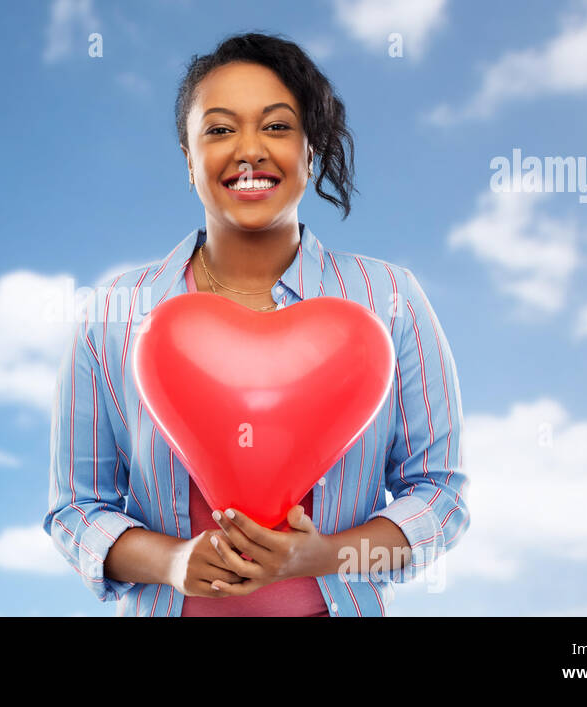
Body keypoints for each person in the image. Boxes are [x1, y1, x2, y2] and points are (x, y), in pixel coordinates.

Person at [42, 32, 470, 617]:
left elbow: (441, 495)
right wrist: (173, 561)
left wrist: (324, 556)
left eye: (276, 126)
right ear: (188, 161)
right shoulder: (114, 314)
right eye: (219, 130)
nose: (249, 151)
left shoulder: (390, 298)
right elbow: (76, 509)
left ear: (311, 151)